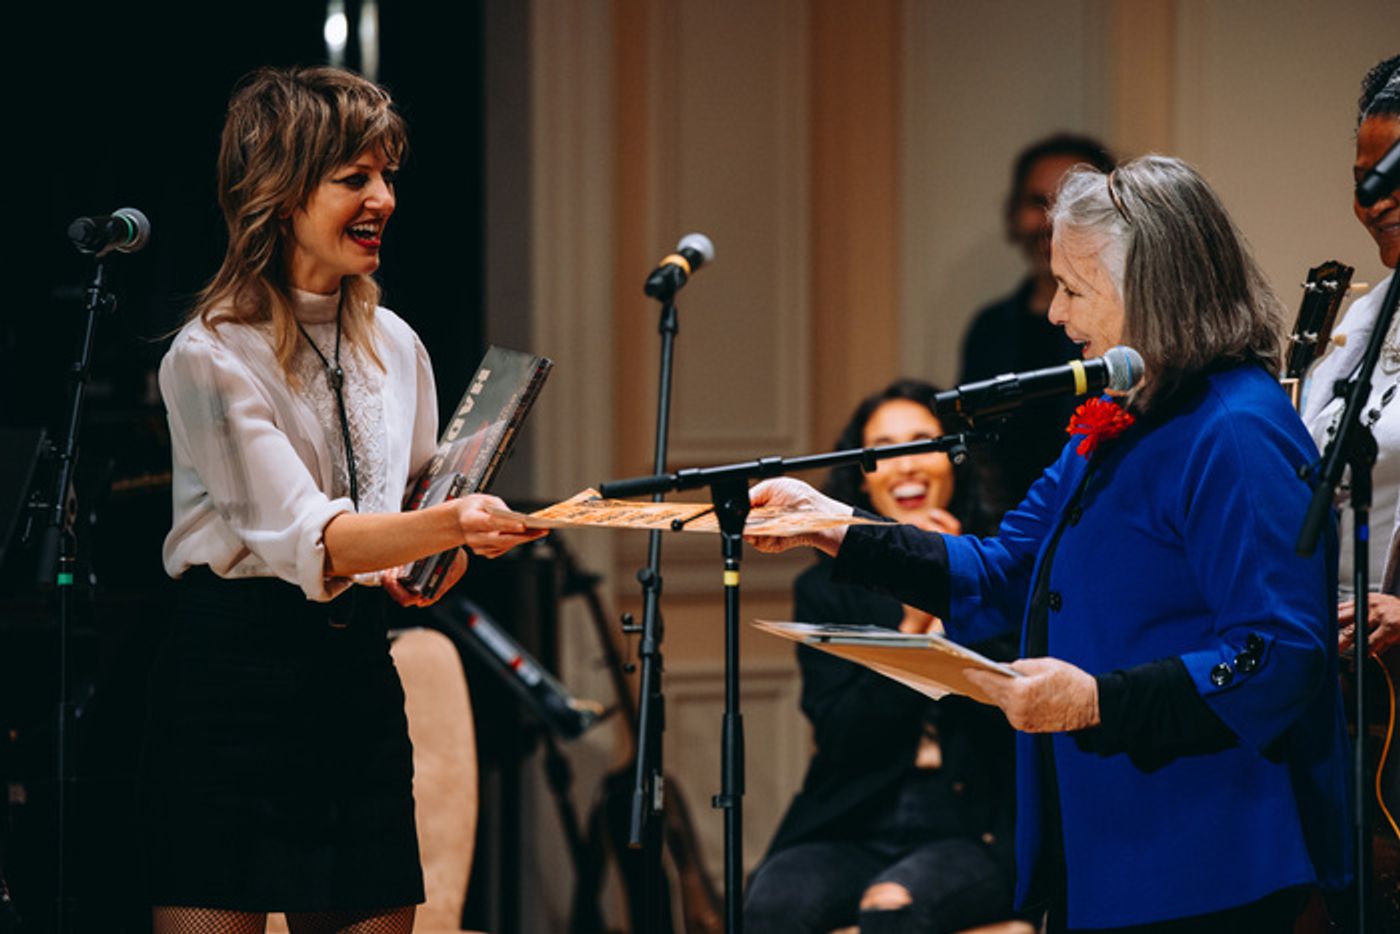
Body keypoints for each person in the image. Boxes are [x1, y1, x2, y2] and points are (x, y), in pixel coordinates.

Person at [746, 155, 1352, 932]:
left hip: (1210, 857)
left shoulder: (1235, 430)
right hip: (1110, 842)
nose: (1058, 316)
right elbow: (1003, 571)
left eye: (1074, 289)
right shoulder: (1124, 416)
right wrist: (833, 526)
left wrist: (1100, 700)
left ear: (1153, 293)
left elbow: (1280, 652)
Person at [143, 66, 544, 934]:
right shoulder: (208, 356)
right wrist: (447, 525)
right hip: (230, 682)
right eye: (354, 178)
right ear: (281, 196)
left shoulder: (397, 343)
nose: (384, 199)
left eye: (388, 176)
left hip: (354, 676)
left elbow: (399, 506)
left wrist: (427, 558)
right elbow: (308, 536)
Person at [744, 380, 1028, 934]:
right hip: (856, 816)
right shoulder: (825, 588)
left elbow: (1017, 702)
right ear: (862, 477)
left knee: (892, 905)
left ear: (956, 460)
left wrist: (939, 585)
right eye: (884, 451)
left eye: (922, 442)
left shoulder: (1002, 567)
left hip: (973, 821)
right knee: (774, 904)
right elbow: (843, 731)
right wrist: (910, 625)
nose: (905, 467)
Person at [959, 134, 1115, 517]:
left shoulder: (1125, 330)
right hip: (1006, 533)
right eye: (1037, 202)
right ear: (1013, 214)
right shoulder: (989, 328)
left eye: (1070, 204)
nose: (1052, 220)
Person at [1302, 53, 1400, 658]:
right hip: (1343, 663)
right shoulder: (1365, 318)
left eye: (1395, 176)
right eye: (1364, 180)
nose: (1375, 202)